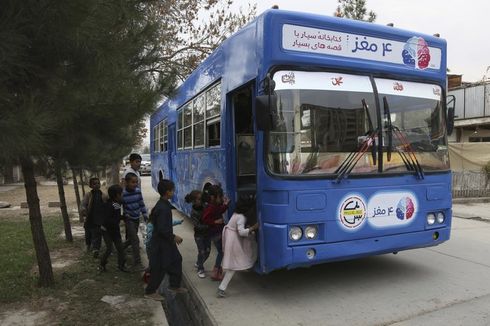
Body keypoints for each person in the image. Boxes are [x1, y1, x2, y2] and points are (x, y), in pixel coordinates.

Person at [144, 179, 187, 301]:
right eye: (172, 190)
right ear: (167, 192)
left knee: (176, 259)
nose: (173, 192)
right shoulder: (163, 208)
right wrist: (174, 237)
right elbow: (162, 229)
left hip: (167, 241)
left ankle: (174, 286)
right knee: (160, 267)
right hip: (160, 243)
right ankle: (150, 291)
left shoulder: (164, 205)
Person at [217, 197, 258, 298]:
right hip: (233, 241)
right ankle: (221, 288)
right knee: (233, 265)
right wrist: (253, 228)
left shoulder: (236, 214)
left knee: (232, 263)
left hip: (230, 238)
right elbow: (241, 232)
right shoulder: (241, 217)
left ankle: (222, 287)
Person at [202, 185, 229, 281]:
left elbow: (220, 210)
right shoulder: (210, 207)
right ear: (213, 197)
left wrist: (225, 205)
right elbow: (205, 219)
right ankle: (216, 271)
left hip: (217, 232)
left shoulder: (215, 206)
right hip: (215, 234)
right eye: (220, 197)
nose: (221, 198)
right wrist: (215, 222)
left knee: (221, 252)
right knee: (221, 252)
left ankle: (217, 271)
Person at [99, 184, 129, 273]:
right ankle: (102, 264)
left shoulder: (116, 204)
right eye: (121, 194)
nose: (123, 195)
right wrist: (120, 218)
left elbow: (116, 216)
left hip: (114, 230)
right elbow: (109, 219)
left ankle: (121, 265)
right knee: (109, 248)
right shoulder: (111, 205)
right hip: (107, 230)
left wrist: (123, 217)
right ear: (117, 195)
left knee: (120, 248)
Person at [123, 172, 148, 271]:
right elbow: (120, 206)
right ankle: (137, 263)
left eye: (136, 182)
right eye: (133, 182)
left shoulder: (138, 191)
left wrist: (145, 214)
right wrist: (124, 215)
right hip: (129, 220)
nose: (135, 184)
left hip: (136, 218)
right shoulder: (123, 194)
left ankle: (119, 248)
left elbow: (141, 204)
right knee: (135, 240)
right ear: (126, 182)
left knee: (131, 240)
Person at [80, 177, 107, 258]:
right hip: (90, 218)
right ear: (90, 185)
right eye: (94, 184)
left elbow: (106, 205)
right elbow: (83, 204)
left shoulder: (103, 195)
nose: (97, 185)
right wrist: (83, 210)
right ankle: (88, 245)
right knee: (88, 233)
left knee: (97, 234)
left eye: (98, 183)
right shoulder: (88, 195)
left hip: (98, 219)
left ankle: (96, 249)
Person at [185, 190, 209, 279]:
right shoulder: (193, 212)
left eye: (201, 199)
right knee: (202, 251)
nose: (201, 200)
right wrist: (209, 225)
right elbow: (197, 226)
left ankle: (199, 262)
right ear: (193, 200)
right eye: (199, 199)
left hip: (207, 234)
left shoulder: (205, 206)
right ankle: (200, 268)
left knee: (207, 251)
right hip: (199, 235)